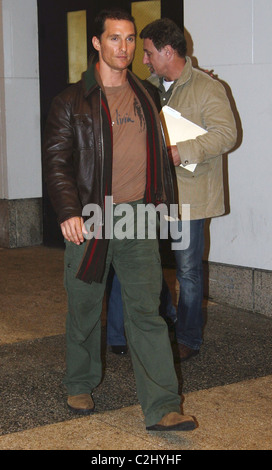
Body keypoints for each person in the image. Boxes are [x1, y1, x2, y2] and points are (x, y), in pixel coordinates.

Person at [43, 8, 197, 431]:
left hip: (138, 217)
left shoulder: (146, 94)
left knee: (146, 311)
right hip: (91, 216)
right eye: (115, 39)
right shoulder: (71, 101)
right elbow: (57, 163)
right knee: (85, 306)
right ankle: (80, 380)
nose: (124, 48)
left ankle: (164, 405)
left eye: (130, 40)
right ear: (97, 43)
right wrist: (69, 211)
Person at [140, 18, 237, 361]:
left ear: (168, 51)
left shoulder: (208, 88)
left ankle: (189, 338)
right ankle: (171, 316)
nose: (145, 60)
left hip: (190, 198)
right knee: (146, 262)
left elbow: (226, 135)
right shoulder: (148, 86)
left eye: (149, 53)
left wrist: (182, 152)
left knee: (188, 271)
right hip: (154, 194)